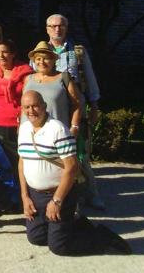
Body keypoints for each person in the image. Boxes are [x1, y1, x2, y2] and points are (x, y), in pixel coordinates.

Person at [17, 91, 131, 255]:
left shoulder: (57, 129)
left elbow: (72, 167)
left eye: (35, 106)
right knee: (36, 237)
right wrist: (24, 196)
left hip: (59, 193)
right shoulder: (24, 128)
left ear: (44, 106)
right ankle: (76, 224)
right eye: (26, 107)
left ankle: (103, 239)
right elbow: (22, 162)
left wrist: (57, 201)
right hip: (35, 194)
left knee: (59, 246)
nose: (31, 111)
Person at [44, 13, 104, 209]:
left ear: (66, 28)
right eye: (53, 26)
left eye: (60, 26)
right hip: (51, 110)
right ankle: (66, 196)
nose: (57, 29)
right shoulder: (41, 51)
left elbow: (90, 77)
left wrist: (94, 104)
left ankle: (92, 194)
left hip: (75, 109)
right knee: (56, 154)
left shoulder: (78, 52)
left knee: (80, 153)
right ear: (47, 29)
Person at [0, 38, 32, 162]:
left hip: (21, 122)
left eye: (5, 52)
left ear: (13, 53)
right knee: (3, 160)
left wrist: (24, 119)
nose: (1, 56)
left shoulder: (25, 71)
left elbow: (30, 98)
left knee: (23, 158)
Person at [23, 42, 82, 133]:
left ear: (53, 60)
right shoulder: (28, 79)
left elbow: (76, 104)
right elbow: (22, 106)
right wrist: (20, 126)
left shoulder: (64, 78)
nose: (41, 62)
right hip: (29, 132)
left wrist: (74, 126)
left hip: (56, 133)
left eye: (46, 58)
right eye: (38, 59)